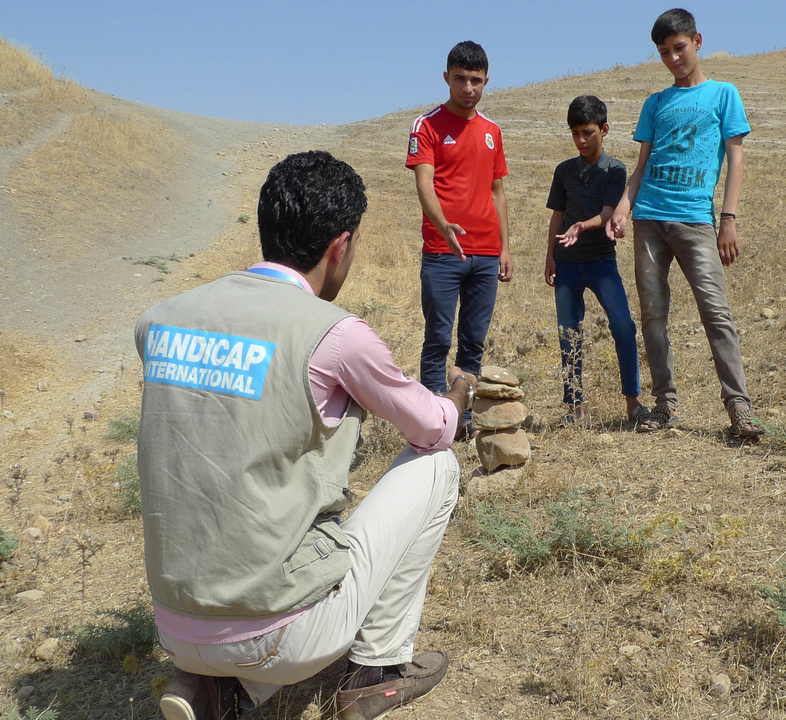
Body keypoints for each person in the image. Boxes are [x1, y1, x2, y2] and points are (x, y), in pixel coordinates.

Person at [136, 151, 472, 720]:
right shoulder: (333, 335)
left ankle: (216, 687)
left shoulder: (161, 318)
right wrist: (455, 399)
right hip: (279, 633)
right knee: (438, 466)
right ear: (340, 245)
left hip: (173, 621)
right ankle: (378, 670)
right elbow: (433, 428)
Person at [607, 7, 764, 438]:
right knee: (653, 315)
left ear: (697, 41)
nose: (673, 58)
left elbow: (735, 159)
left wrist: (728, 218)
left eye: (679, 48)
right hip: (649, 220)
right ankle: (665, 405)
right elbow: (640, 167)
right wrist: (623, 207)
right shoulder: (655, 103)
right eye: (664, 52)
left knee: (716, 313)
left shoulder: (723, 94)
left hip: (696, 219)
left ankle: (739, 409)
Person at [407, 40, 510, 427]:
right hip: (442, 251)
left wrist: (505, 248)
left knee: (473, 342)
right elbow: (424, 185)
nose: (469, 88)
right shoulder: (427, 125)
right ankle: (431, 420)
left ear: (486, 82)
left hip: (485, 253)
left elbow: (498, 191)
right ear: (446, 78)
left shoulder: (492, 131)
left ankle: (462, 419)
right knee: (437, 339)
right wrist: (442, 225)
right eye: (461, 79)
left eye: (476, 81)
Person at [544, 95, 647, 426]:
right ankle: (575, 408)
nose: (581, 140)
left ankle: (633, 403)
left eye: (588, 132)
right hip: (567, 263)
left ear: (604, 130)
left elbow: (607, 214)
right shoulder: (563, 171)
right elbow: (557, 217)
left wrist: (582, 225)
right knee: (568, 334)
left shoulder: (615, 170)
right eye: (575, 133)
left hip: (601, 262)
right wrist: (550, 257)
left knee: (623, 325)